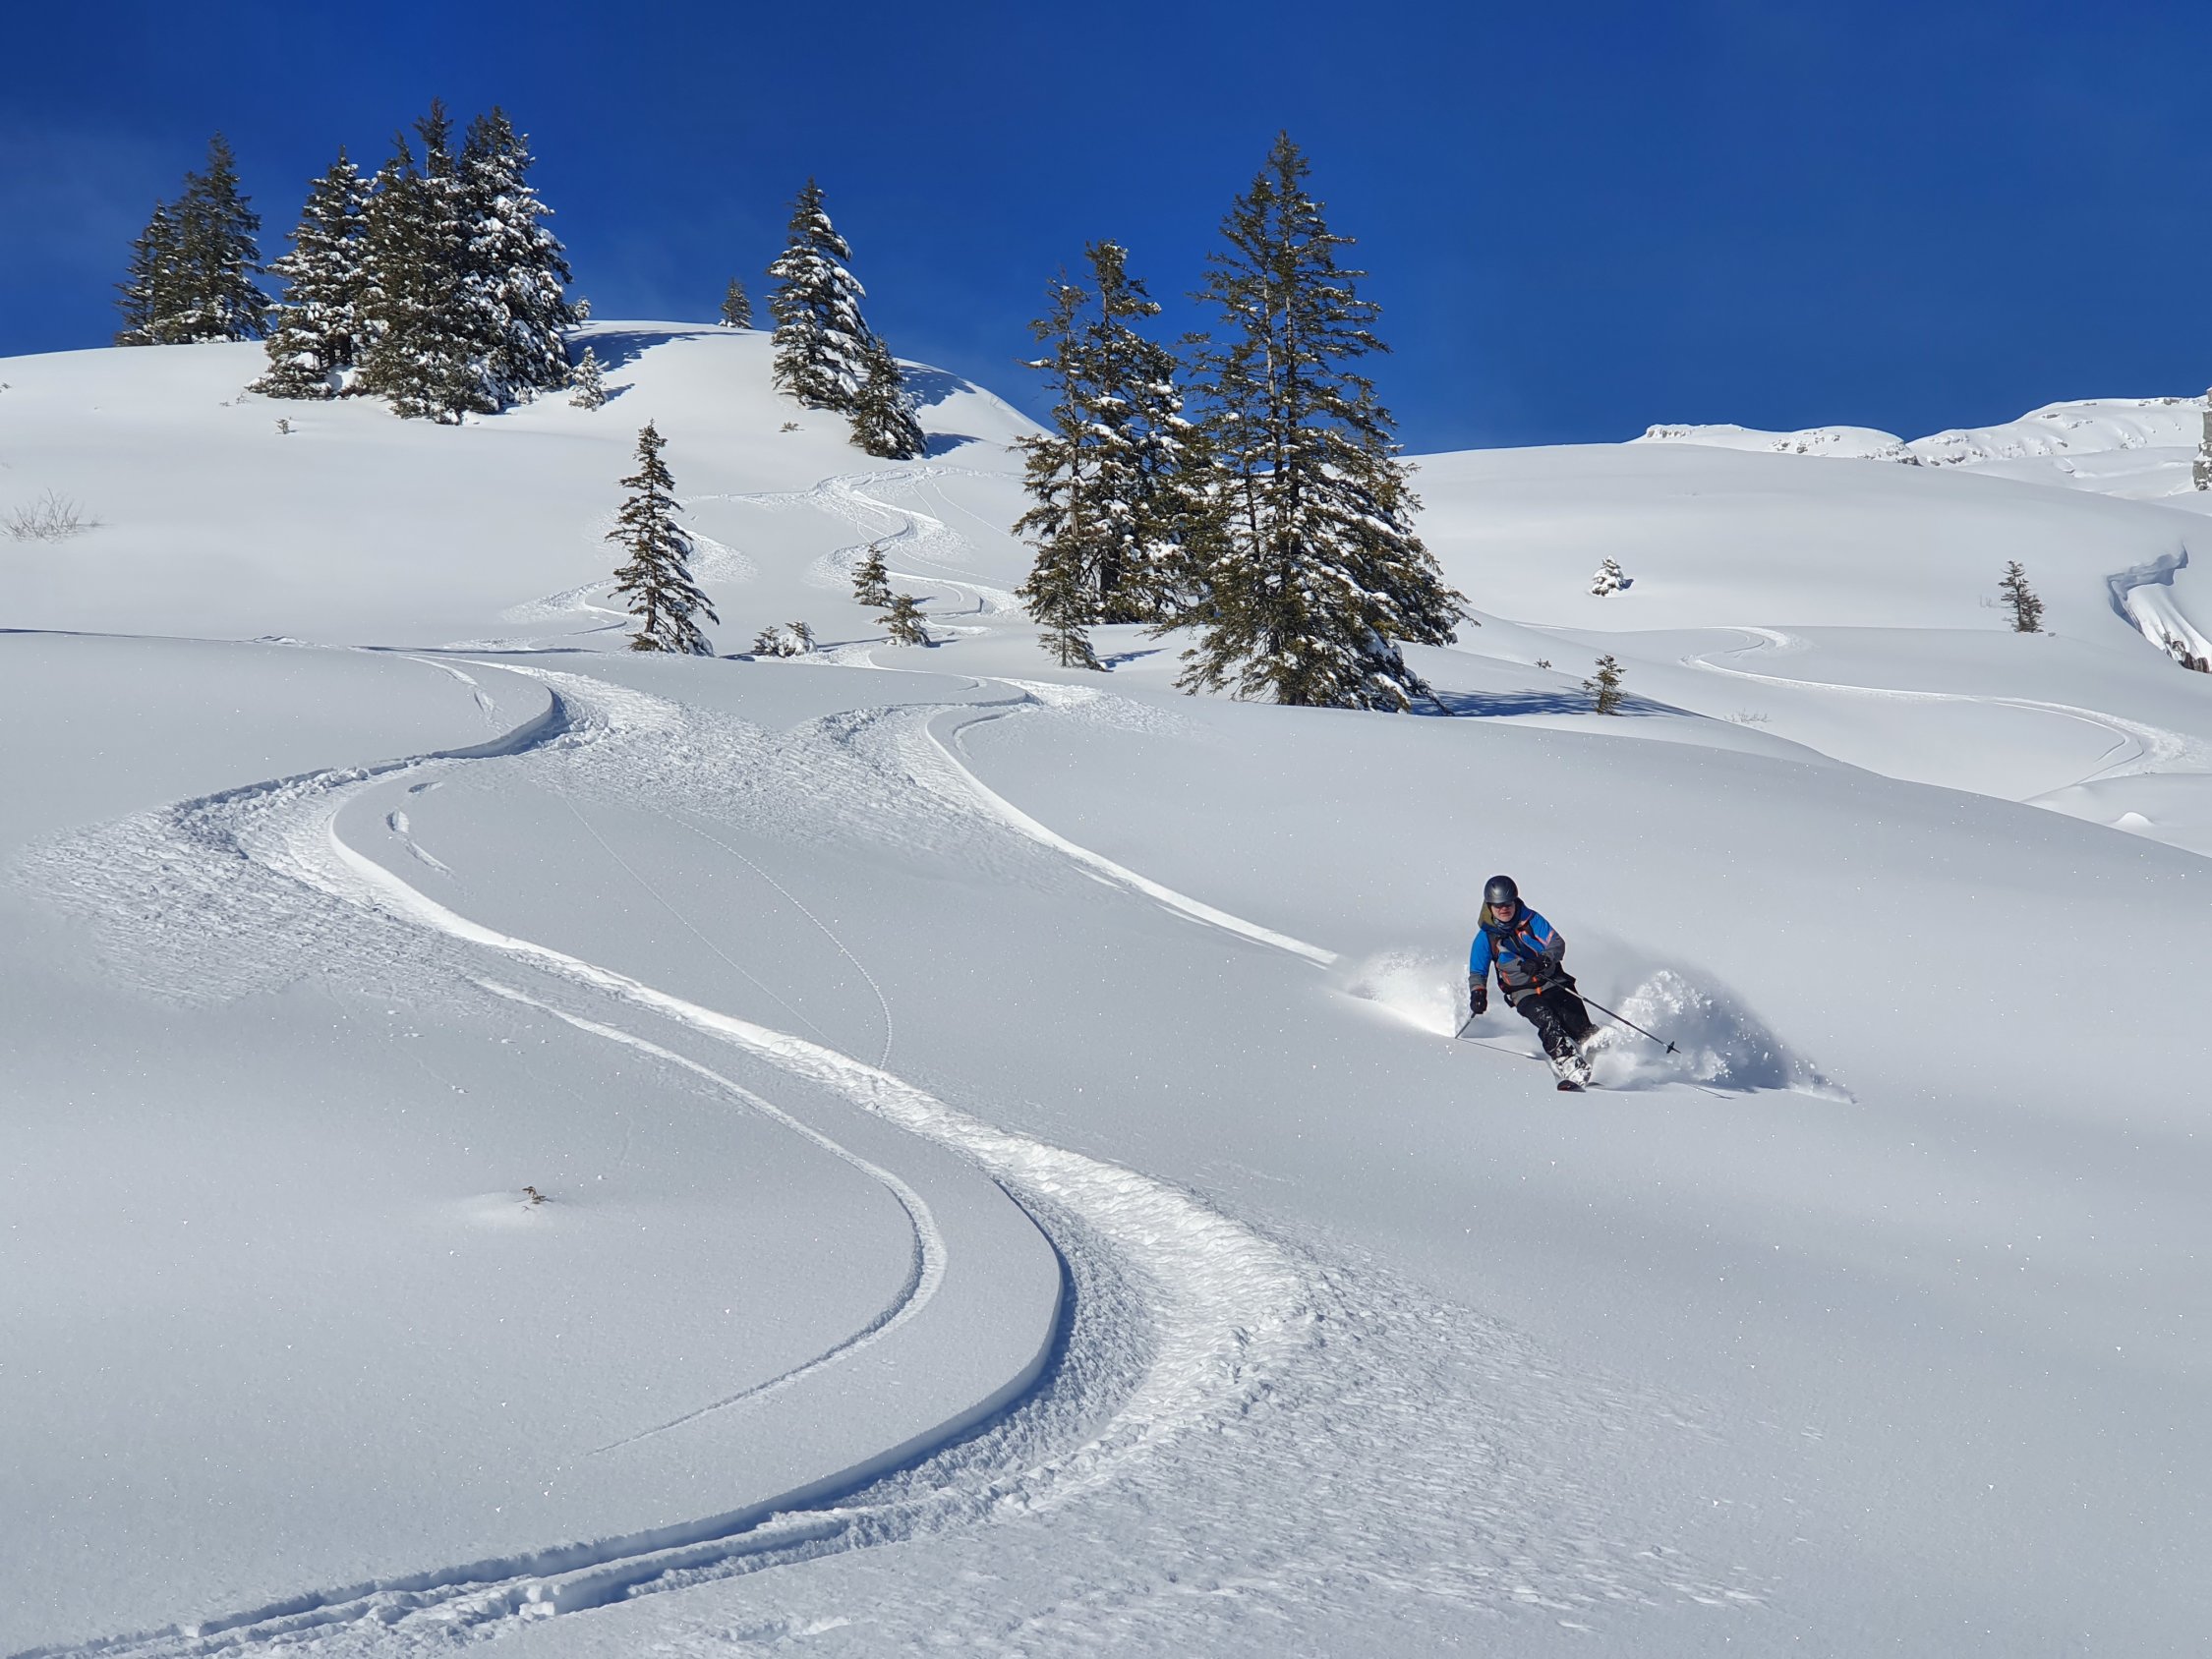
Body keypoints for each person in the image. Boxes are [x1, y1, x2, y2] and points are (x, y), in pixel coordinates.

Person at [1469, 874, 1596, 1087]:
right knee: (1547, 1020)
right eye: (1498, 905)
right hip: (1523, 991)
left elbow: (1557, 943)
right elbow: (1477, 971)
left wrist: (1543, 960)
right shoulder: (1485, 937)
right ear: (1489, 906)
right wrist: (1478, 992)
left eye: (1508, 904)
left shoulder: (1531, 919)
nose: (1504, 909)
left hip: (1553, 980)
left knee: (1577, 1023)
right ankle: (1567, 1061)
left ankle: (1599, 1053)